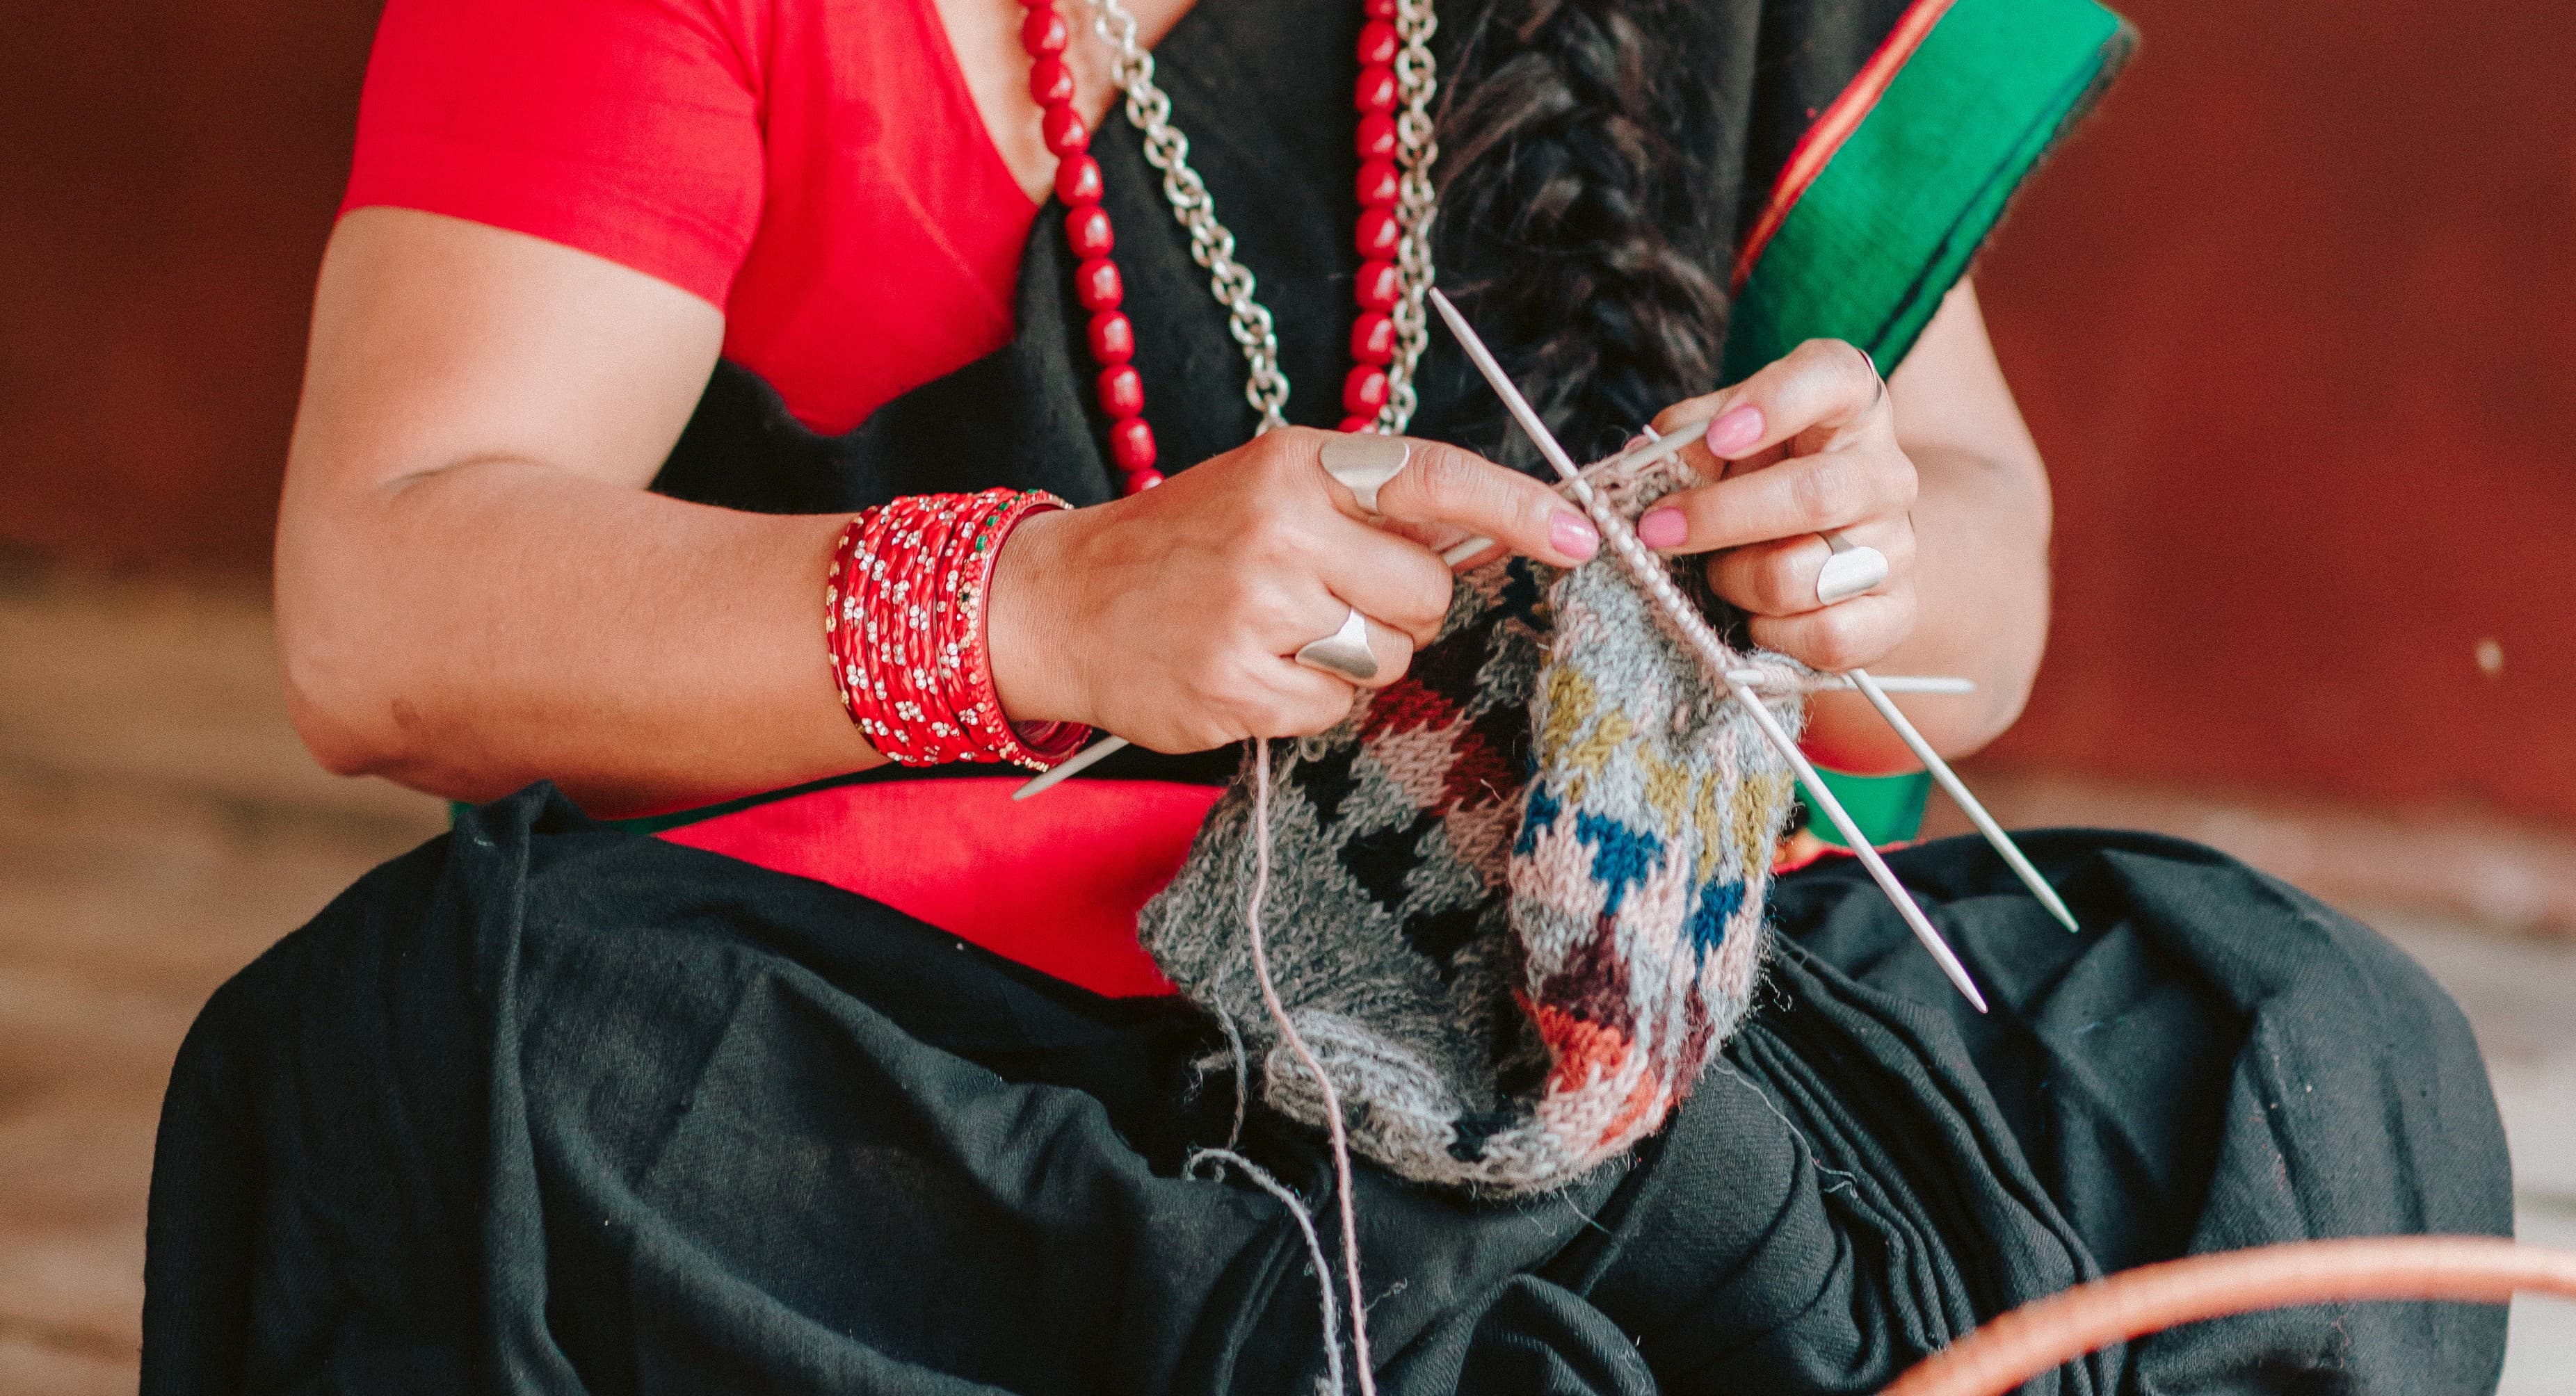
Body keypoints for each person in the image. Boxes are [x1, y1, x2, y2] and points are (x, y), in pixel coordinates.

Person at [141, 0, 2513, 1389]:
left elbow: (1982, 570)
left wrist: (1845, 566)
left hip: (1616, 971)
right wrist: (1046, 604)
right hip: (936, 1007)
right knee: (472, 1080)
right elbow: (389, 603)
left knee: (2284, 1043)